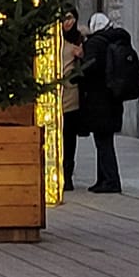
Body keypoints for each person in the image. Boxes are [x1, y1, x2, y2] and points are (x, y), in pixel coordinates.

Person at [78, 12, 138, 194]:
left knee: (103, 142)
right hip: (114, 97)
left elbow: (89, 69)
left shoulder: (95, 43)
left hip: (98, 99)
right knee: (105, 140)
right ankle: (103, 179)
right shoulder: (119, 39)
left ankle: (110, 180)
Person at [58, 12, 85, 190]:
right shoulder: (54, 40)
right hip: (55, 94)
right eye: (66, 18)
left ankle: (67, 174)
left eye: (72, 18)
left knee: (69, 135)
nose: (69, 22)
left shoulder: (78, 40)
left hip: (71, 94)